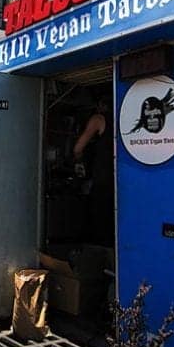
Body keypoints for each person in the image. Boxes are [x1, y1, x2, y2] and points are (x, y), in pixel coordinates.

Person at [73, 94, 115, 247]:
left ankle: (99, 257)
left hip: (103, 176)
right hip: (120, 176)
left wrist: (78, 159)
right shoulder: (123, 117)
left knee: (99, 218)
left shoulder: (98, 119)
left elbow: (78, 147)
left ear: (101, 105)